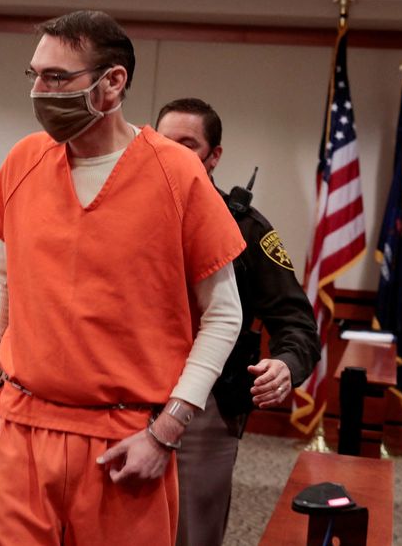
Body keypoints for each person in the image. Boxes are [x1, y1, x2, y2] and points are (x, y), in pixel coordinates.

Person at [0, 12, 249, 546]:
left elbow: (224, 313)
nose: (41, 91)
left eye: (57, 77)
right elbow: (5, 280)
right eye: (35, 76)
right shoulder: (23, 161)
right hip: (22, 425)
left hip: (126, 437)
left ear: (112, 81)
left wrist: (167, 432)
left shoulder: (177, 173)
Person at [156, 98, 320, 546]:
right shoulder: (125, 212)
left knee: (190, 529)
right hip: (122, 390)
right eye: (163, 141)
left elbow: (297, 324)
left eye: (188, 144)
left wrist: (286, 364)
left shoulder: (244, 228)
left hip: (206, 404)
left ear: (214, 156)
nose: (172, 151)